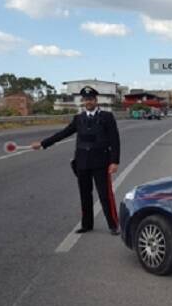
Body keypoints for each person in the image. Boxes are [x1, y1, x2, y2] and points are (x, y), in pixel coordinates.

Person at [32, 86, 121, 234]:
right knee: (84, 195)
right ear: (83, 101)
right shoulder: (79, 119)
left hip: (101, 162)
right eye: (86, 99)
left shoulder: (107, 117)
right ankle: (87, 225)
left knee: (105, 195)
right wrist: (43, 143)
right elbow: (63, 133)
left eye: (91, 99)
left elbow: (115, 140)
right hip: (82, 163)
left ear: (96, 100)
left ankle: (113, 225)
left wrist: (114, 161)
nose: (89, 102)